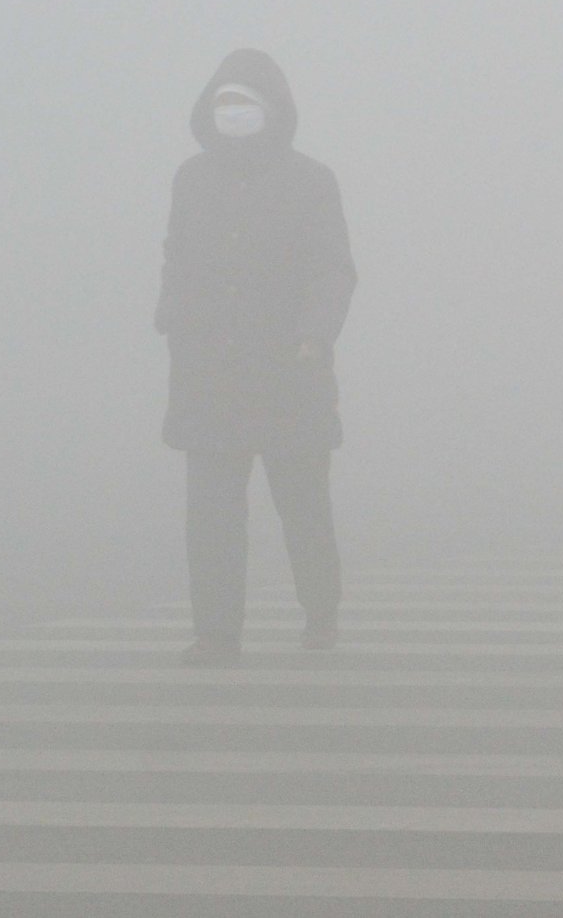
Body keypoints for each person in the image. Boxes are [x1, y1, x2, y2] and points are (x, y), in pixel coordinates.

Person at [154, 49, 357, 666]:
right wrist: (172, 317)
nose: (233, 115)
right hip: (211, 372)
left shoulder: (311, 180)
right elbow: (177, 256)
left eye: (245, 104)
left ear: (273, 112)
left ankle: (320, 612)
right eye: (224, 104)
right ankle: (217, 632)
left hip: (290, 370)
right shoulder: (192, 178)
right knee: (211, 513)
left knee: (302, 505)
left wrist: (315, 335)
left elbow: (332, 267)